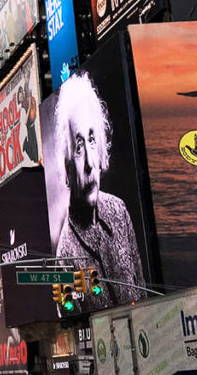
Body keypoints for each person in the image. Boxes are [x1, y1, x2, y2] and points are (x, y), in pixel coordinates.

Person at [52, 72, 145, 308]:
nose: (90, 163)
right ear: (67, 163)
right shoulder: (64, 256)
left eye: (92, 139)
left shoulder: (119, 211)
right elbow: (72, 320)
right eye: (79, 146)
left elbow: (144, 292)